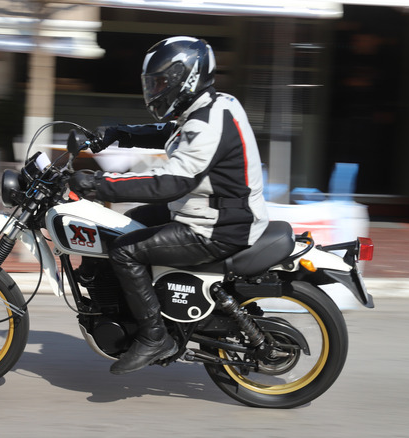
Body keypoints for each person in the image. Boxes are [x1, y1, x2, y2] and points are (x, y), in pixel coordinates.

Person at [69, 36, 269, 375]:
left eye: (161, 82)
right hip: (205, 209)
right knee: (120, 223)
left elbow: (171, 182)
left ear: (185, 78)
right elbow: (169, 133)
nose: (155, 90)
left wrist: (98, 183)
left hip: (216, 226)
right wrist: (121, 134)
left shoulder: (207, 123)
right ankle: (105, 284)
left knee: (125, 251)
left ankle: (154, 336)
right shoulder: (212, 106)